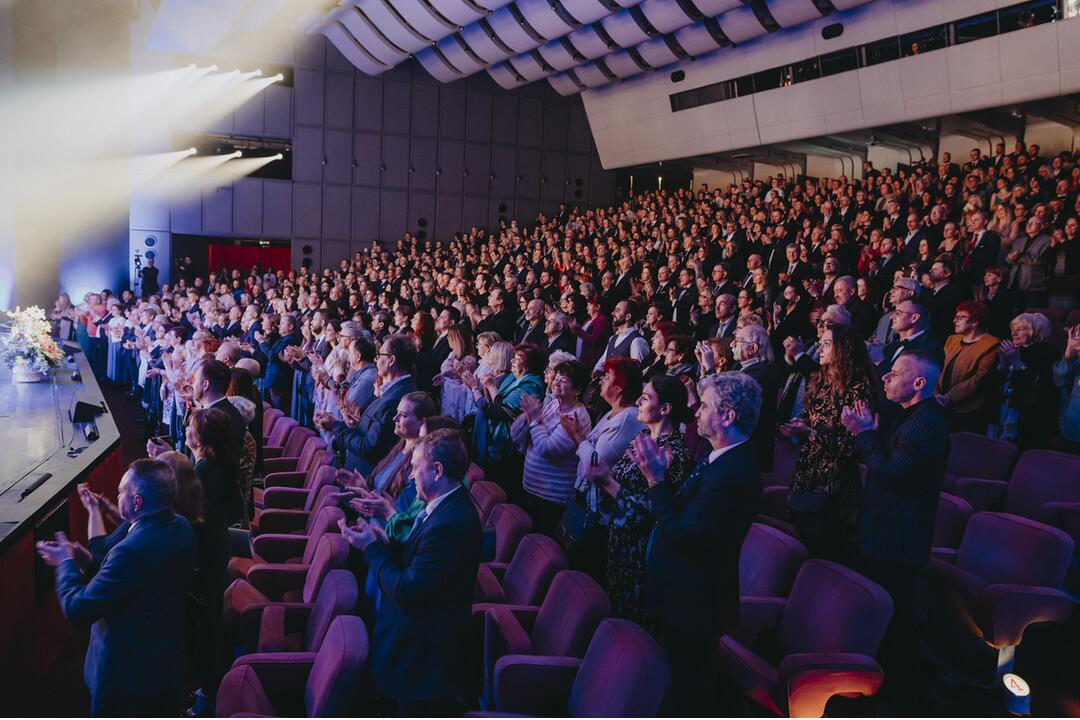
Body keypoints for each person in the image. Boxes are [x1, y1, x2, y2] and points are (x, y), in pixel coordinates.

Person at [629, 373, 762, 717]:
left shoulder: (733, 472)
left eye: (703, 405)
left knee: (692, 693)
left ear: (728, 415)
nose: (695, 410)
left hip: (695, 602)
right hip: (683, 596)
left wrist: (655, 479)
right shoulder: (718, 456)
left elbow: (681, 534)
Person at [338, 429, 482, 717]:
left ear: (438, 470)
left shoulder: (450, 522)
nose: (412, 475)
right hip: (414, 651)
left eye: (416, 467)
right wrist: (384, 543)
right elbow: (418, 560)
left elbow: (410, 592)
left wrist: (373, 550)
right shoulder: (444, 506)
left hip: (423, 663)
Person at [36, 459, 196, 716]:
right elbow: (134, 582)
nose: (117, 493)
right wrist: (86, 561)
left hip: (127, 677)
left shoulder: (131, 550)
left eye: (122, 491)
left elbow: (78, 609)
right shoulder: (181, 527)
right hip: (165, 663)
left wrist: (64, 563)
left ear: (137, 502)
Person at [841, 352, 948, 714]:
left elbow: (888, 475)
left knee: (899, 621)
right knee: (888, 618)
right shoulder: (909, 416)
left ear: (919, 383)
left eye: (896, 373)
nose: (886, 376)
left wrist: (864, 435)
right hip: (884, 532)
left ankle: (905, 700)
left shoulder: (926, 424)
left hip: (898, 540)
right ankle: (885, 688)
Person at [586, 375, 693, 631]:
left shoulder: (674, 452)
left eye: (645, 398)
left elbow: (653, 509)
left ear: (665, 409)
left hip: (642, 552)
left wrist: (608, 483)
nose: (637, 402)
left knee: (634, 624)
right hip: (619, 541)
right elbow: (624, 478)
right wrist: (606, 474)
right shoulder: (645, 436)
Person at [781, 324, 877, 561]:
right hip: (807, 473)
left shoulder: (858, 387)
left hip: (835, 482)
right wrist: (798, 426)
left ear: (843, 349)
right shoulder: (819, 380)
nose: (819, 348)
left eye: (826, 344)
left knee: (825, 553)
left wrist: (809, 433)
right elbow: (814, 421)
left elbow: (853, 444)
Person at [185, 407, 240, 712]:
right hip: (217, 545)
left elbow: (197, 516)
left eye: (191, 428)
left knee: (207, 625)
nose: (186, 432)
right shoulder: (214, 463)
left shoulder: (205, 470)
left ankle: (210, 694)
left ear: (202, 438)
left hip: (207, 552)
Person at [318, 334, 418, 473]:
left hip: (364, 476)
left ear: (391, 360)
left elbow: (369, 447)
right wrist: (356, 422)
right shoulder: (391, 390)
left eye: (379, 355)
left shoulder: (396, 397)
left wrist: (335, 426)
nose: (376, 360)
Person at [518, 359, 592, 535]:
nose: (556, 382)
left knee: (540, 546)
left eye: (564, 380)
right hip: (534, 487)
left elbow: (547, 448)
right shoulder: (554, 404)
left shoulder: (577, 416)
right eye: (556, 378)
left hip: (550, 496)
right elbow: (534, 433)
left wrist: (534, 419)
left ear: (578, 390)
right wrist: (527, 420)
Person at [993, 312, 1059, 449]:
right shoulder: (1013, 350)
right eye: (1012, 329)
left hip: (1032, 418)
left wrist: (1017, 363)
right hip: (1004, 411)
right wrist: (1002, 367)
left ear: (1036, 330)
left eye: (1020, 329)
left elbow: (1040, 388)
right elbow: (989, 385)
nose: (1014, 333)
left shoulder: (1048, 353)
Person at [936, 301, 1000, 433]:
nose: (955, 321)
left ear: (975, 321)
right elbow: (939, 367)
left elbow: (979, 378)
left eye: (960, 317)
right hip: (940, 404)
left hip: (969, 411)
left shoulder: (991, 344)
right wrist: (936, 394)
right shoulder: (952, 340)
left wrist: (949, 397)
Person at [733, 322, 777, 471]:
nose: (733, 344)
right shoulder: (741, 369)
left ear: (753, 348)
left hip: (751, 452)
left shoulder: (760, 374)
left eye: (739, 340)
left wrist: (710, 369)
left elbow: (729, 398)